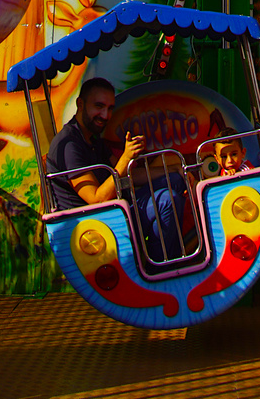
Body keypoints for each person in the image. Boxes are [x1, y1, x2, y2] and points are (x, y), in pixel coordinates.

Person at [46, 77, 186, 261]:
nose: (105, 115)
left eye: (110, 108)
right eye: (99, 106)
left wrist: (175, 170)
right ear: (80, 104)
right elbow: (96, 199)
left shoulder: (93, 139)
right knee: (167, 201)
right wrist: (125, 158)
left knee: (174, 181)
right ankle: (160, 266)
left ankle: (172, 259)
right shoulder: (69, 145)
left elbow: (128, 176)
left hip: (117, 210)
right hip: (96, 225)